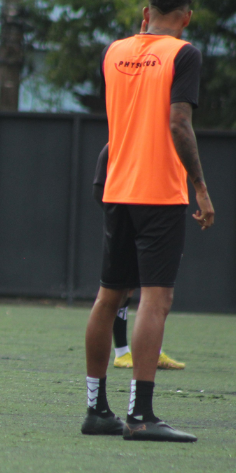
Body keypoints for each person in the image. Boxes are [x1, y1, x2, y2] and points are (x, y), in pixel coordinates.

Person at [81, 0, 214, 442]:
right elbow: (178, 121)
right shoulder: (184, 53)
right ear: (186, 17)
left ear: (145, 12)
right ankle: (141, 416)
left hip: (117, 187)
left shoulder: (113, 52)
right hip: (159, 191)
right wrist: (200, 187)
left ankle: (97, 408)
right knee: (155, 300)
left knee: (108, 296)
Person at [92, 144, 186, 370]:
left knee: (157, 292)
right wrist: (118, 222)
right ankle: (122, 351)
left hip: (155, 224)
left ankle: (155, 351)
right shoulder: (118, 143)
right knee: (123, 289)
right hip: (129, 225)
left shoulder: (161, 145)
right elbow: (98, 188)